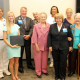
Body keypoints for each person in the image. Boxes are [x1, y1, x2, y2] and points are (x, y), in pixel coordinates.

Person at [47, 13, 73, 80]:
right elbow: (49, 37)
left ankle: (62, 76)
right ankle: (57, 75)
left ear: (62, 19)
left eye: (60, 18)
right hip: (54, 47)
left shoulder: (67, 26)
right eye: (57, 18)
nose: (58, 20)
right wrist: (49, 46)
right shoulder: (52, 26)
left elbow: (70, 36)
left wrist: (70, 46)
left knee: (63, 62)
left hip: (64, 47)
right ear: (55, 19)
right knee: (56, 62)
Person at [15, 7, 34, 73]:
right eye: (23, 11)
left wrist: (29, 35)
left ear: (26, 12)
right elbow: (16, 28)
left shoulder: (29, 19)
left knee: (28, 52)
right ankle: (20, 66)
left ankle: (29, 65)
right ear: (20, 12)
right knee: (20, 52)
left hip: (28, 38)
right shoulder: (16, 19)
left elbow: (32, 28)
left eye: (25, 11)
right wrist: (22, 35)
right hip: (20, 38)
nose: (24, 12)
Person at [3, 11, 21, 80]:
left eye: (12, 16)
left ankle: (16, 75)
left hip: (17, 46)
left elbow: (18, 36)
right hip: (10, 47)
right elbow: (5, 39)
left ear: (14, 17)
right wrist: (11, 46)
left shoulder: (17, 26)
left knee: (17, 62)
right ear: (7, 18)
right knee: (11, 62)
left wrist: (19, 43)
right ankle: (12, 76)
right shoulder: (5, 27)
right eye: (9, 16)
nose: (11, 17)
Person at [32, 12, 50, 78]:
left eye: (44, 17)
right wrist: (36, 45)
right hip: (37, 45)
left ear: (46, 18)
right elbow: (34, 36)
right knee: (38, 59)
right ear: (39, 18)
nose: (43, 18)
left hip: (46, 45)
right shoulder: (36, 26)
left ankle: (44, 70)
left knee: (45, 59)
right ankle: (38, 72)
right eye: (42, 17)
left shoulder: (49, 25)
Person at [63, 8, 74, 76]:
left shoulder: (75, 20)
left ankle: (71, 68)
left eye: (70, 12)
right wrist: (66, 37)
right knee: (65, 55)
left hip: (74, 39)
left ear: (72, 13)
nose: (69, 13)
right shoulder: (64, 20)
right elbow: (63, 30)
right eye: (67, 12)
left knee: (72, 55)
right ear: (66, 13)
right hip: (67, 39)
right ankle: (66, 67)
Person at [0, 8, 11, 78]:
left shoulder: (5, 21)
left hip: (6, 41)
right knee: (0, 57)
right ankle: (0, 71)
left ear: (2, 12)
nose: (0, 12)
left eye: (1, 11)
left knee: (6, 56)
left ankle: (5, 70)